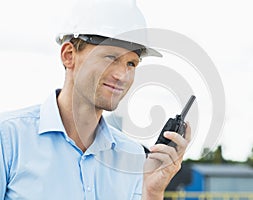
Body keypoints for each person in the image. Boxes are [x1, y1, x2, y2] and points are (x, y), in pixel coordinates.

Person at [0, 0, 191, 199]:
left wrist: (152, 192)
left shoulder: (133, 157)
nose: (122, 75)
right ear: (68, 55)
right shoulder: (8, 138)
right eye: (110, 57)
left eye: (131, 63)